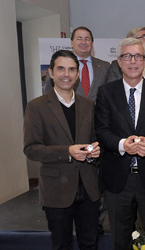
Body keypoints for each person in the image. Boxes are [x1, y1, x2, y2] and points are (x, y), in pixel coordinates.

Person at [95, 38, 145, 250]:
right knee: (120, 240)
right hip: (118, 180)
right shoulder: (106, 92)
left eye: (138, 56)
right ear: (119, 61)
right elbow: (101, 130)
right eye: (127, 56)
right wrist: (121, 145)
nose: (133, 61)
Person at [24, 50, 101, 250]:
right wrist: (68, 151)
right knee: (61, 245)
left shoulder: (89, 105)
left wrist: (95, 152)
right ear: (50, 72)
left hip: (88, 187)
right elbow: (31, 149)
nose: (66, 74)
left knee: (90, 243)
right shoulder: (36, 106)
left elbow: (94, 139)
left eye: (71, 69)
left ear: (77, 74)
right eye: (61, 69)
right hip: (56, 190)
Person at [43, 26, 110, 102]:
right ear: (72, 43)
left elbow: (110, 94)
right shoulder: (58, 64)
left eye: (87, 39)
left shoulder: (105, 66)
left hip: (98, 112)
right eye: (79, 39)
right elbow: (48, 93)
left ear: (92, 43)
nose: (83, 42)